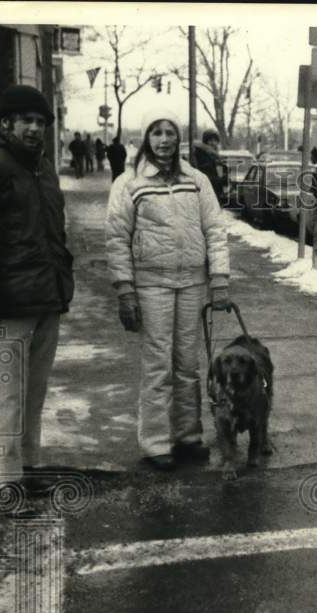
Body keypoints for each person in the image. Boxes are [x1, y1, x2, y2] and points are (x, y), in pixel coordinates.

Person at [0, 85, 74, 496]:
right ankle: (6, 481)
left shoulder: (42, 168)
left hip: (45, 299)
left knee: (33, 396)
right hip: (7, 304)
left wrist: (62, 283)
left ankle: (29, 467)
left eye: (41, 122)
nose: (35, 129)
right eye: (27, 121)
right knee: (8, 398)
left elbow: (54, 234)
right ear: (6, 124)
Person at [105, 110, 232, 470]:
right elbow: (116, 238)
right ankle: (157, 442)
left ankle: (188, 436)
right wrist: (125, 289)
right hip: (151, 284)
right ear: (147, 138)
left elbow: (215, 230)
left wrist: (219, 278)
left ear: (179, 139)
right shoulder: (128, 182)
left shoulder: (197, 180)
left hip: (192, 281)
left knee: (187, 364)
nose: (164, 140)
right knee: (158, 364)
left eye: (170, 133)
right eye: (156, 133)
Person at [191, 128, 225, 200]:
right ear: (205, 142)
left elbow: (220, 173)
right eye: (210, 140)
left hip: (215, 190)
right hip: (206, 190)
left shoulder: (215, 155)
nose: (213, 143)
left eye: (215, 140)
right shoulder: (202, 154)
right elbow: (205, 173)